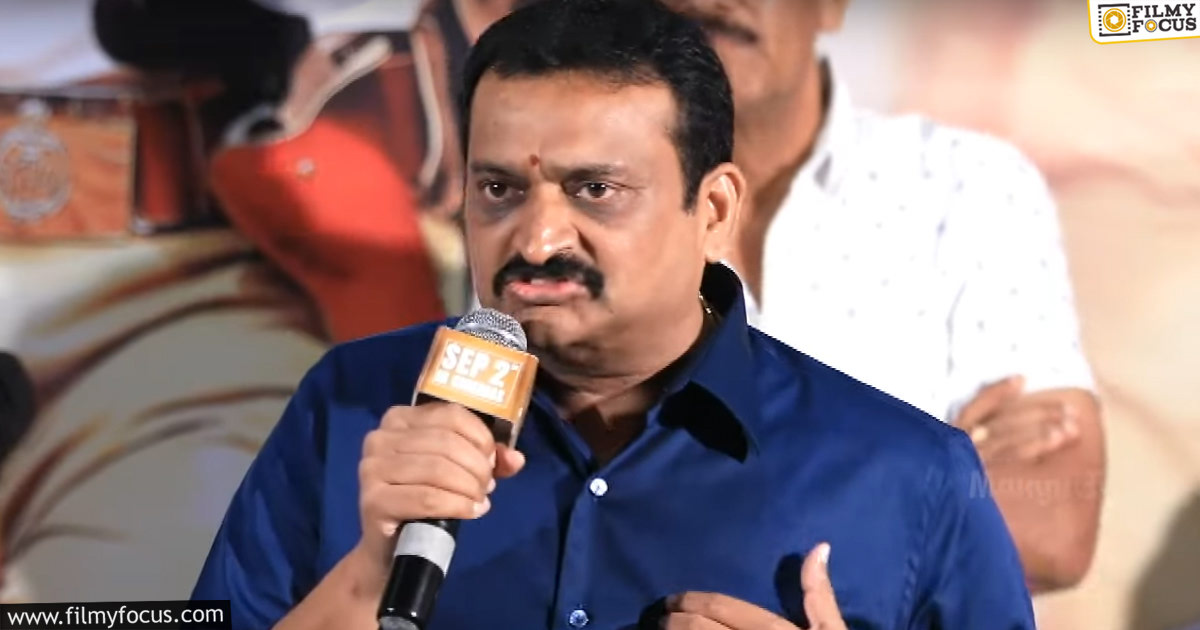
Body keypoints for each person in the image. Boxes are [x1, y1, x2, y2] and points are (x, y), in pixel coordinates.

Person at [191, 1, 1036, 628]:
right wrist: (370, 572)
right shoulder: (350, 405)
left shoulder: (910, 474)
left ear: (713, 210)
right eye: (499, 188)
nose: (537, 237)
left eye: (595, 189)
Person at [660, 0, 1106, 592]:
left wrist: (679, 510)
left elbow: (1052, 526)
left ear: (832, 7)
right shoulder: (573, 207)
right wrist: (932, 469)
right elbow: (562, 509)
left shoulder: (970, 186)